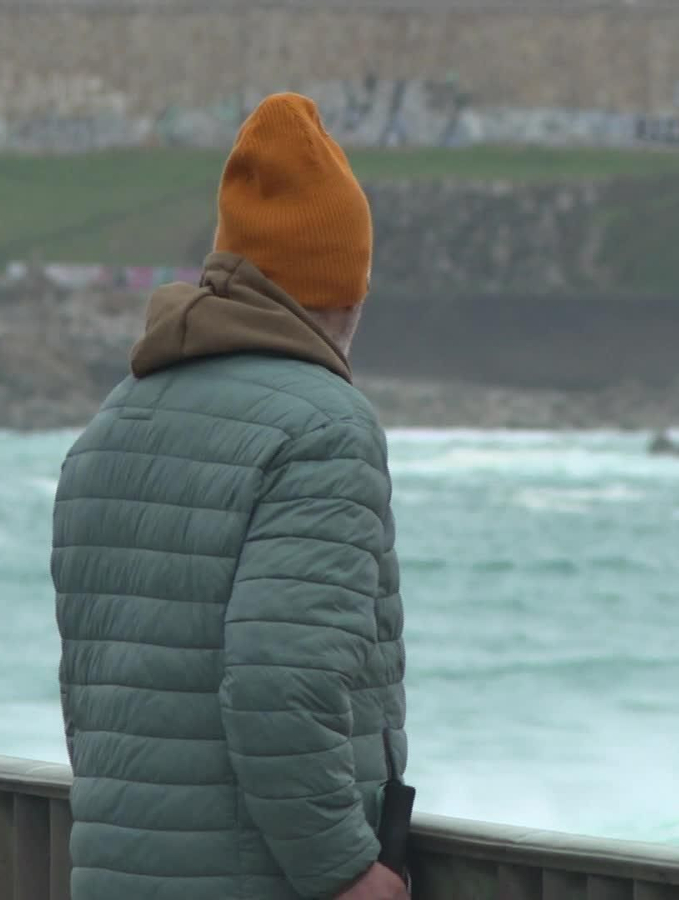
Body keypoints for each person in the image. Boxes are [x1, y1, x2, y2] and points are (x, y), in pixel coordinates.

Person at [51, 93, 409, 900]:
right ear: (344, 285)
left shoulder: (117, 418)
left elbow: (92, 684)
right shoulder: (325, 426)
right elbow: (279, 677)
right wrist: (346, 870)